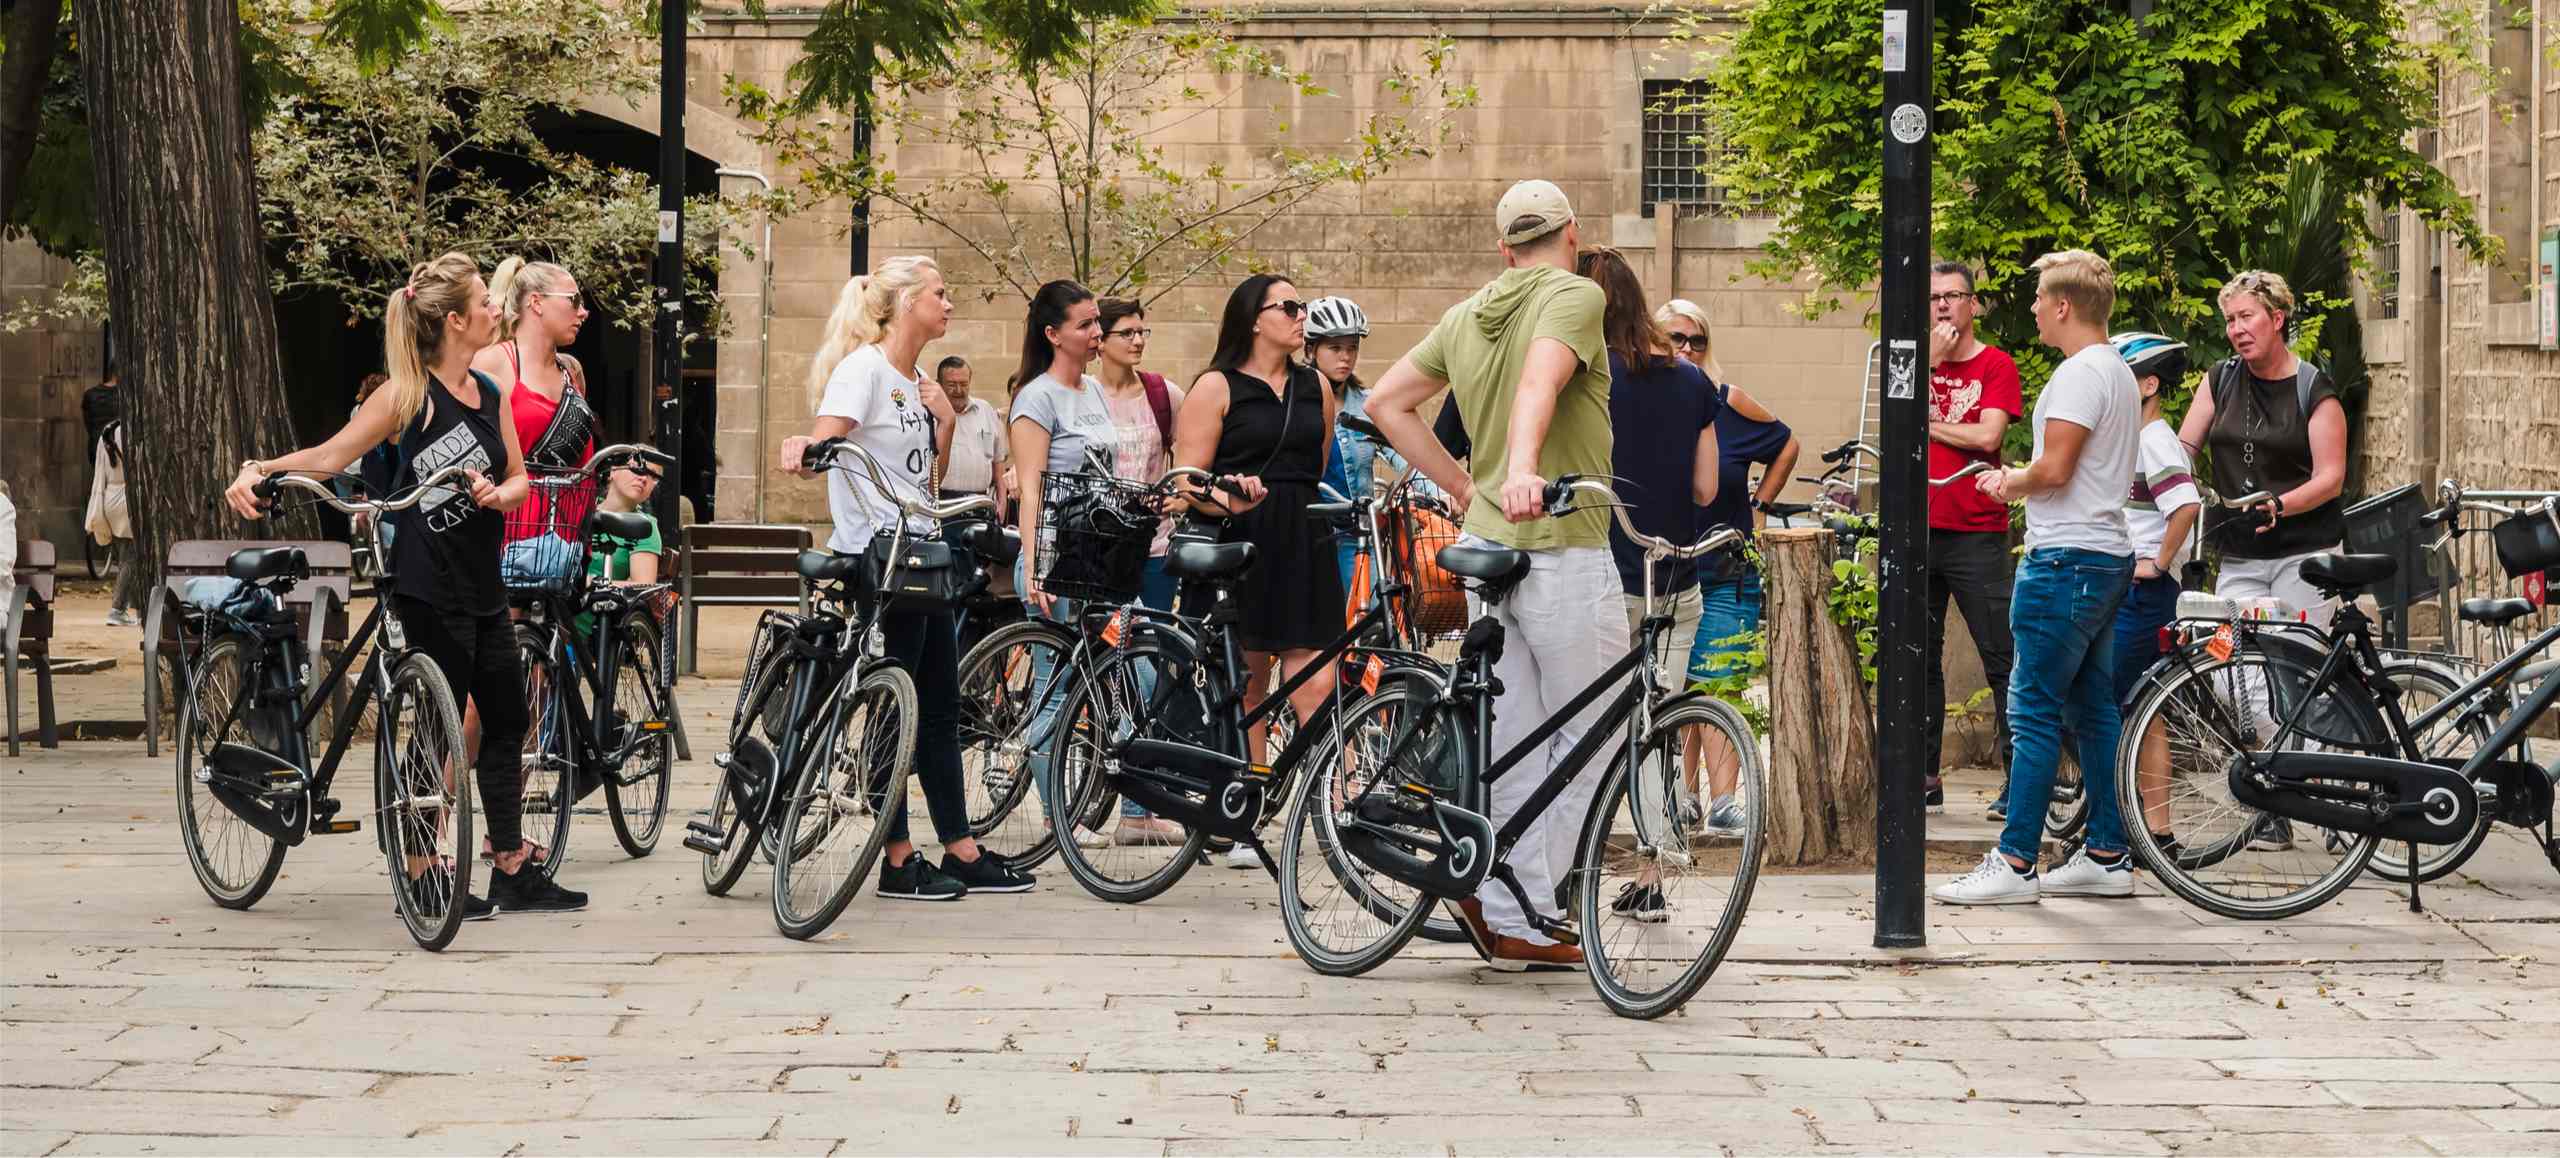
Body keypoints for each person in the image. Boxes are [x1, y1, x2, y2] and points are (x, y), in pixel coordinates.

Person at [223, 251, 580, 917]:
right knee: (436, 729)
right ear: (454, 320)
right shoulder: (408, 396)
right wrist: (259, 467)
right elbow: (333, 456)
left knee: (505, 717)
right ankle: (421, 871)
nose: (494, 309)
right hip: (427, 581)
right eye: (484, 303)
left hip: (484, 579)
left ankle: (511, 866)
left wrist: (500, 496)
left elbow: (517, 476)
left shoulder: (489, 392)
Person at [1369, 179, 1616, 971]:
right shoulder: (1575, 295)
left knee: (1516, 735)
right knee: (1594, 732)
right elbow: (1543, 379)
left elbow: (1386, 402)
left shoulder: (1466, 313)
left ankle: (1509, 911)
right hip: (1560, 543)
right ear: (1572, 233)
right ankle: (1540, 907)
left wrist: (1461, 484)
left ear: (1505, 248)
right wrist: (1524, 468)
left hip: (1489, 549)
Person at [779, 255, 1036, 901]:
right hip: (877, 560)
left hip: (921, 554)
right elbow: (824, 446)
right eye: (940, 294)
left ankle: (960, 846)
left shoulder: (916, 378)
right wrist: (801, 452)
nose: (949, 304)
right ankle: (896, 858)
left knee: (942, 706)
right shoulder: (862, 370)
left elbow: (921, 479)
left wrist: (944, 423)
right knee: (896, 707)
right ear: (904, 303)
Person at [1933, 249, 2141, 906]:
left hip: (2067, 560)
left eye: (2037, 301)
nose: (2030, 310)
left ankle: (2017, 860)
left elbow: (2054, 471)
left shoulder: (2081, 375)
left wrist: (2006, 480)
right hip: (2103, 554)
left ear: (2062, 307)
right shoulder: (2118, 373)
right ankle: (2108, 853)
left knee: (2031, 707)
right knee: (2092, 707)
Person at [2179, 269, 2347, 853]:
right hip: (2240, 554)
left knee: (2304, 675)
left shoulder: (2312, 388)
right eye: (2229, 320)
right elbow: (2183, 448)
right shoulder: (2219, 382)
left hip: (2305, 556)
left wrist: (2282, 504)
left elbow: (2331, 477)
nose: (2237, 330)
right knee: (2230, 672)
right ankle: (2275, 790)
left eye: (2247, 317)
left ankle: (2326, 797)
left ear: (2277, 319)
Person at [1171, 274, 1346, 769]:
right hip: (1240, 541)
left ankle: (1338, 804)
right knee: (1247, 686)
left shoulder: (1316, 385)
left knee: (1318, 683)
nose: (1300, 316)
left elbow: (1316, 462)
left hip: (1304, 537)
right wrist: (1228, 495)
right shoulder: (1216, 386)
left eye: (1301, 306)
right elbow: (1187, 482)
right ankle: (1249, 798)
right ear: (1253, 320)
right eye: (1288, 307)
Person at [1006, 281, 1147, 849]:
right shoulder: (1035, 398)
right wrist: (1036, 564)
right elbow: (1033, 490)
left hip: (1100, 560)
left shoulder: (1089, 391)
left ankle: (1136, 809)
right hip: (1058, 560)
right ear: (1053, 334)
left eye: (1097, 324)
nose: (1097, 334)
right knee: (1055, 689)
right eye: (1087, 325)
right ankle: (1055, 814)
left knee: (1140, 673)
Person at [1657, 298, 1795, 838]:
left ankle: (1723, 800)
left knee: (1722, 679)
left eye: (1697, 340)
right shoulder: (1654, 401)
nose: (1687, 349)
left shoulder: (1728, 401)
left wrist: (1760, 505)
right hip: (1668, 565)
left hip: (1726, 565)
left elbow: (1787, 443)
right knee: (1679, 685)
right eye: (1675, 338)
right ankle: (1684, 795)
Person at [1576, 248, 1717, 704]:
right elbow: (1705, 488)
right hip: (1677, 574)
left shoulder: (1587, 380)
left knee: (1602, 730)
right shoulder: (1694, 380)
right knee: (1660, 730)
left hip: (1606, 574)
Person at [1924, 262, 2022, 821]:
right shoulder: (1916, 361)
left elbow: (1989, 435)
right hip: (1918, 530)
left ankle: (2019, 779)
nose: (1942, 306)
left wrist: (1925, 422)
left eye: (1953, 296)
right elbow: (1892, 412)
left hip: (1977, 532)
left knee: (2001, 657)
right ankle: (1924, 776)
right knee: (1918, 660)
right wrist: (1930, 364)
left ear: (1973, 305)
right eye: (1934, 297)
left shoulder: (1995, 364)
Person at [2109, 333, 2200, 852]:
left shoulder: (2154, 439)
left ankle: (2146, 829)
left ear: (2148, 384)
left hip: (2144, 594)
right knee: (2141, 707)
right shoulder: (2132, 439)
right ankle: (2153, 830)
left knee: (2130, 705)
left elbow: (2185, 505)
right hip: (2132, 588)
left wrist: (2158, 562)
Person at [473, 257, 595, 558]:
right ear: (537, 303)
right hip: (508, 536)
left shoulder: (572, 372)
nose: (583, 311)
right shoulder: (493, 362)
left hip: (569, 538)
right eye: (573, 300)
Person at [1093, 298, 1185, 613]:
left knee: (1155, 645)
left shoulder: (1163, 394)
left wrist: (1185, 497)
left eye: (1142, 331)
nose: (1138, 340)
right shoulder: (1082, 397)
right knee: (1102, 648)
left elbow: (1194, 454)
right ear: (1100, 341)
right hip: (1097, 546)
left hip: (1155, 544)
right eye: (1127, 333)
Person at [937, 356, 1010, 515]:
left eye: (963, 384)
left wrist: (1002, 501)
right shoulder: (930, 415)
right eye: (951, 385)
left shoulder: (985, 410)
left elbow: (998, 461)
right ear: (939, 385)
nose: (958, 390)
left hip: (981, 505)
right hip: (942, 505)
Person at [85, 416, 138, 626]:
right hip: (128, 497)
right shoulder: (135, 429)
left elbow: (99, 472)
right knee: (131, 557)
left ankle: (128, 607)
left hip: (111, 497)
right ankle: (118, 608)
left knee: (126, 555)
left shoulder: (107, 431)